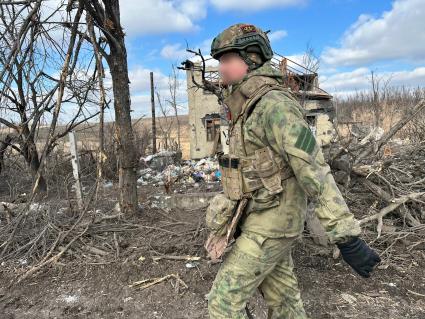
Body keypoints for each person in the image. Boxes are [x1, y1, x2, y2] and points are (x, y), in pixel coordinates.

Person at [205, 23, 381, 319]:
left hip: (273, 224)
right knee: (285, 302)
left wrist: (346, 236)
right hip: (258, 217)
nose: (220, 68)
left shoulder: (275, 106)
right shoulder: (247, 105)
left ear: (250, 59)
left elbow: (313, 168)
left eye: (226, 60)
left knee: (223, 303)